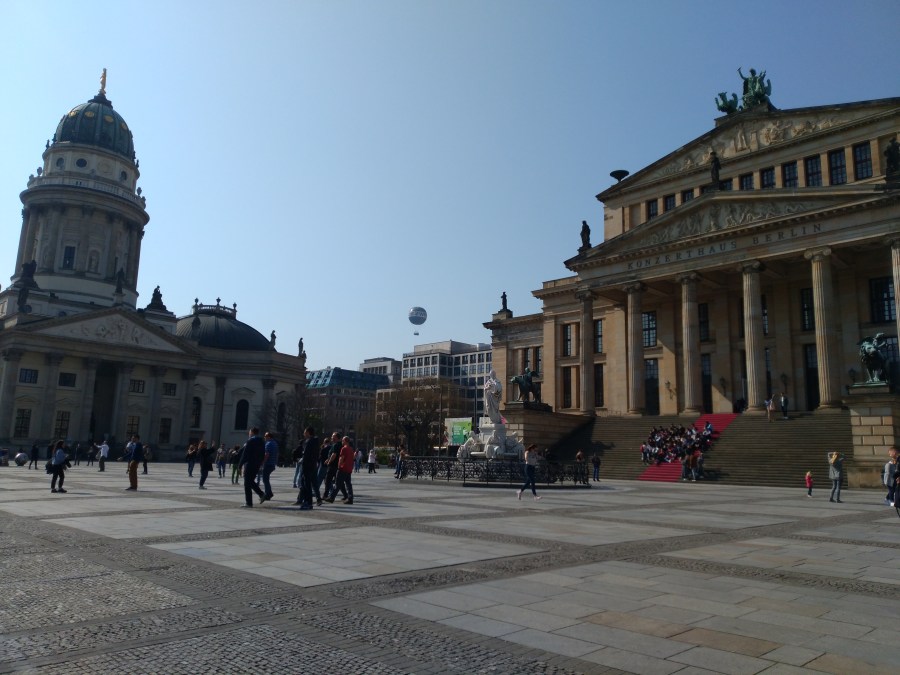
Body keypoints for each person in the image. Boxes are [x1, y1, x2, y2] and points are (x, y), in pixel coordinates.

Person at [294, 426, 321, 509]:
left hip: (307, 465)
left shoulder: (309, 442)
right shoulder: (316, 442)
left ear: (308, 433)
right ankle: (306, 501)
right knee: (307, 483)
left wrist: (302, 461)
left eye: (305, 432)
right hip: (313, 465)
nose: (304, 434)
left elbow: (306, 454)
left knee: (306, 484)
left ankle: (308, 502)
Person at [239, 428, 267, 507]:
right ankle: (261, 494)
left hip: (250, 464)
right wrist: (260, 463)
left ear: (252, 432)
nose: (249, 433)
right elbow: (263, 453)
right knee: (250, 481)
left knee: (247, 483)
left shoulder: (250, 441)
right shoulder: (262, 441)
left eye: (249, 432)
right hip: (257, 464)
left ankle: (249, 503)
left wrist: (240, 465)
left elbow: (245, 454)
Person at [326, 436, 355, 504]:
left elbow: (341, 458)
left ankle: (331, 498)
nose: (342, 442)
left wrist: (339, 466)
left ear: (345, 441)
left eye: (343, 441)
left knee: (337, 484)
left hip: (343, 468)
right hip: (348, 469)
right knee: (348, 484)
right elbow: (353, 458)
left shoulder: (344, 449)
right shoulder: (351, 449)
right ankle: (350, 498)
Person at [261, 432, 279, 501]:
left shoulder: (268, 444)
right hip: (272, 464)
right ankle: (269, 493)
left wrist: (262, 462)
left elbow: (266, 454)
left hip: (268, 464)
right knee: (266, 479)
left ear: (269, 437)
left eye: (265, 436)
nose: (264, 437)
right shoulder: (275, 443)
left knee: (265, 479)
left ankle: (268, 494)